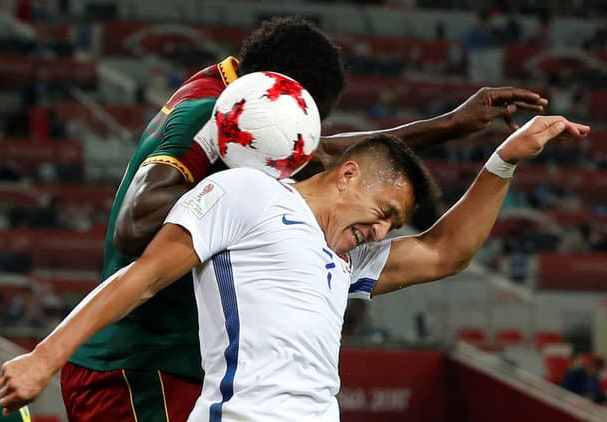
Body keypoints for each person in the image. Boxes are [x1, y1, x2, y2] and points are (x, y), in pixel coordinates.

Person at [56, 16, 548, 421]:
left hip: (174, 364)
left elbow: (327, 160)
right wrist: (234, 199)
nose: (302, 155)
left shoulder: (239, 118)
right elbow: (135, 227)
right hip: (140, 364)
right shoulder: (211, 115)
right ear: (281, 99)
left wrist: (451, 127)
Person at [0, 115, 589, 419]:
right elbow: (143, 276)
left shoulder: (344, 257)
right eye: (384, 213)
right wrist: (46, 356)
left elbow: (445, 252)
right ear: (348, 174)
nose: (381, 232)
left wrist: (504, 160)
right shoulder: (247, 193)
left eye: (392, 226)